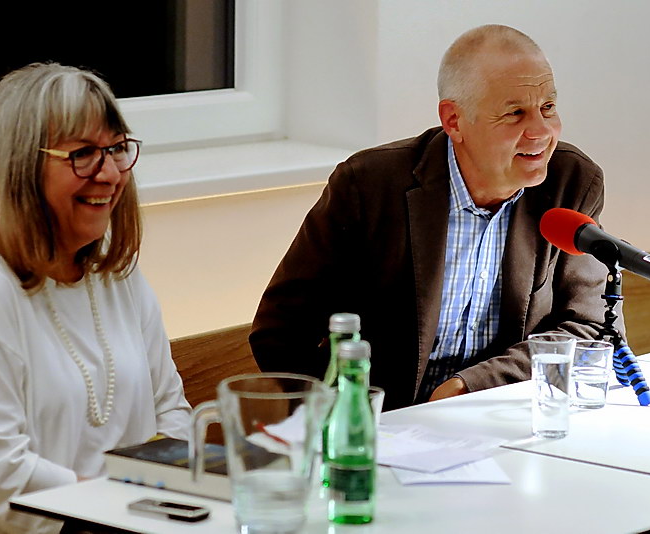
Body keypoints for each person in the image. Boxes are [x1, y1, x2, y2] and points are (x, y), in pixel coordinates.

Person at [250, 24, 621, 411]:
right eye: (515, 114)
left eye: (548, 108)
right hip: (383, 421)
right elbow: (281, 330)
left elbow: (592, 328)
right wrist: (347, 415)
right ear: (454, 120)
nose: (542, 132)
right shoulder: (369, 186)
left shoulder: (572, 182)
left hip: (499, 414)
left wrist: (471, 387)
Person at [0, 63, 191, 533]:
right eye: (83, 154)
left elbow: (172, 411)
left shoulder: (114, 271)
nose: (110, 173)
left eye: (117, 148)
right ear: (19, 167)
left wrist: (160, 500)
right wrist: (119, 505)